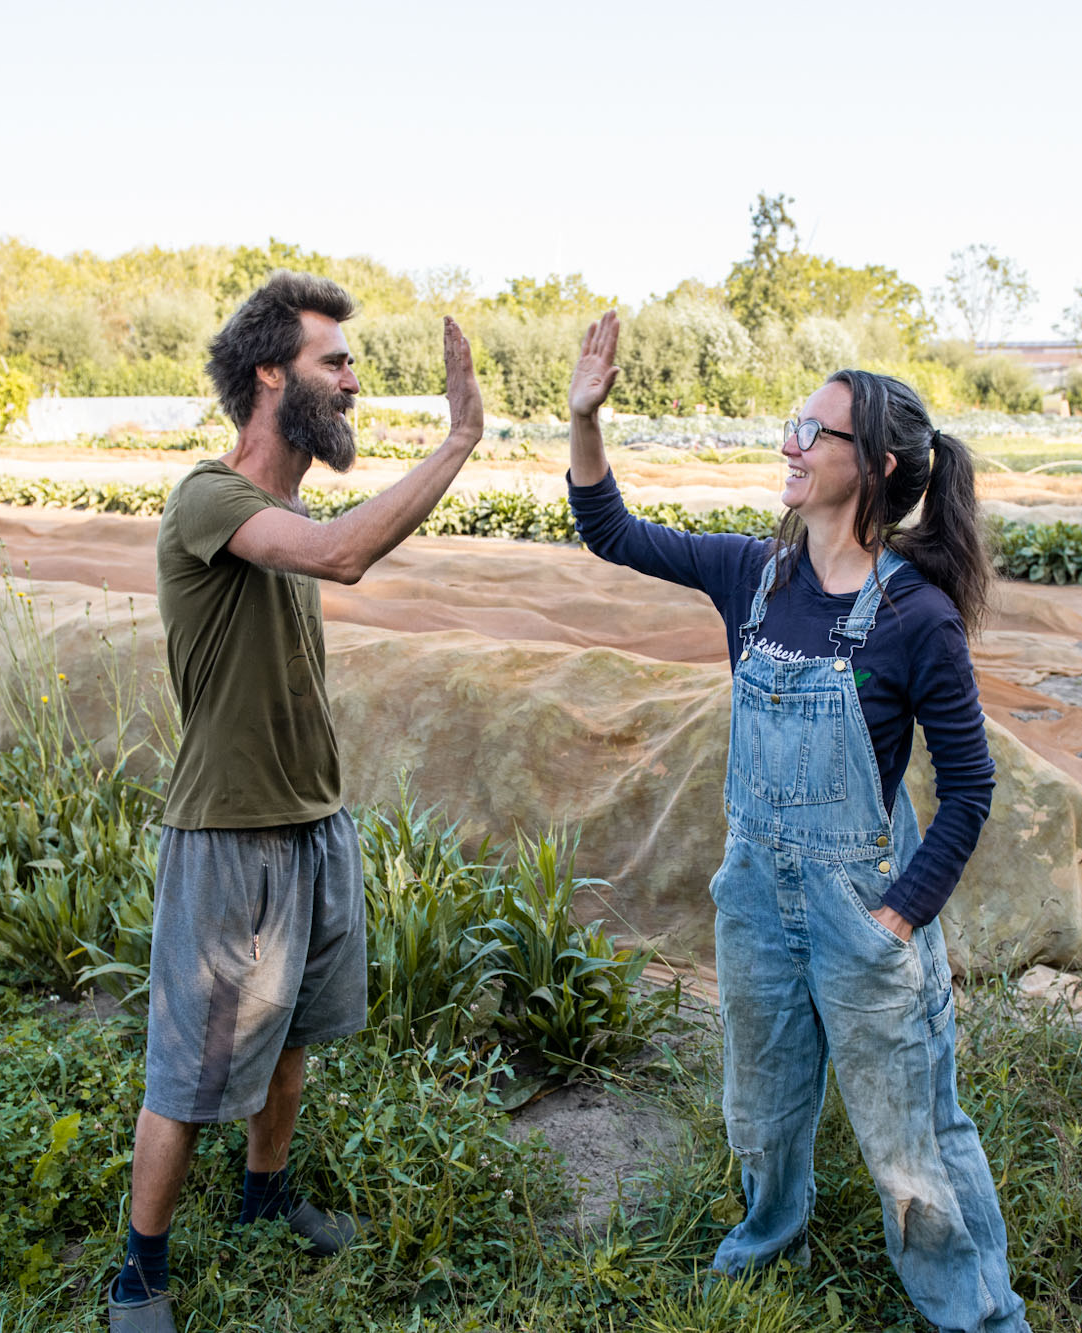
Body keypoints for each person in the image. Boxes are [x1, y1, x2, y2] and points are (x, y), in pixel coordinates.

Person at [565, 313, 1027, 1332]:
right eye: (794, 425)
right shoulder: (754, 575)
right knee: (762, 1108)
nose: (789, 443)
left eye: (811, 431)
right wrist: (584, 420)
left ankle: (977, 1314)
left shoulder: (916, 618)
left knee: (911, 1132)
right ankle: (768, 1234)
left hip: (860, 908)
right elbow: (610, 532)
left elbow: (970, 789)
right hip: (755, 896)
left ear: (874, 465)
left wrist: (897, 921)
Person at [108, 271, 484, 1332]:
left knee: (292, 1039)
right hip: (227, 835)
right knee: (190, 1069)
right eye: (335, 360)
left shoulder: (284, 506)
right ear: (270, 372)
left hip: (313, 823)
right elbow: (345, 556)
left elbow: (324, 540)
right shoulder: (210, 499)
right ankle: (139, 1269)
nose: (352, 383)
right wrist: (456, 441)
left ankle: (264, 1194)